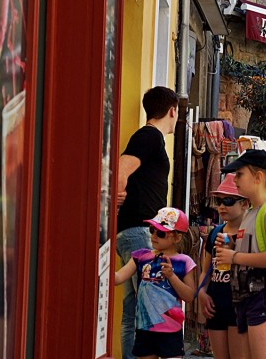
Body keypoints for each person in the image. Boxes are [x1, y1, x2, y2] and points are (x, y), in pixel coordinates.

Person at [116, 87, 179, 359]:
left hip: (132, 231)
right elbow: (121, 169)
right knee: (150, 309)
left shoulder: (151, 138)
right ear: (172, 110)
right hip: (140, 232)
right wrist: (116, 198)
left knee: (133, 310)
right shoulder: (149, 135)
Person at [216, 150, 266, 359]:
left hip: (263, 295)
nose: (234, 179)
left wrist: (234, 257)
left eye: (239, 174)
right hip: (246, 297)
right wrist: (231, 248)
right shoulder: (252, 212)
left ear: (258, 178)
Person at [114, 207, 197, 359]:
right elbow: (119, 277)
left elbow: (190, 296)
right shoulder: (141, 256)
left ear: (177, 238)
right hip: (145, 329)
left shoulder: (184, 262)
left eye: (161, 233)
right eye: (152, 229)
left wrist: (172, 276)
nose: (154, 236)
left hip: (171, 331)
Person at [197, 175, 249, 359]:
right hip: (215, 305)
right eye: (219, 201)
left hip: (238, 306)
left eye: (228, 200)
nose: (221, 206)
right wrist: (202, 292)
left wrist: (234, 251)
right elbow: (206, 269)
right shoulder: (216, 232)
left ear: (244, 204)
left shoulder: (249, 233)